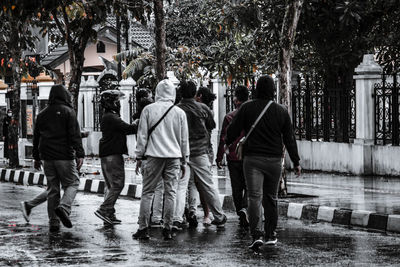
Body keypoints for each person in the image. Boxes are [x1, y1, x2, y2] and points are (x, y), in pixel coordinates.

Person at [227, 75, 301, 250]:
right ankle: (271, 234)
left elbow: (232, 132)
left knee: (254, 197)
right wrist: (296, 161)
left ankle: (257, 234)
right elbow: (289, 139)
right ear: (273, 91)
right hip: (275, 161)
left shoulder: (247, 108)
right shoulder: (281, 111)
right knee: (271, 198)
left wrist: (230, 141)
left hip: (252, 160)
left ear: (256, 89)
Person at [132, 79, 189, 240]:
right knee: (170, 192)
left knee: (148, 192)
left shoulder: (148, 110)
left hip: (153, 156)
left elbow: (142, 136)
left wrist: (139, 156)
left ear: (157, 92)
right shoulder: (179, 113)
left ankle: (143, 228)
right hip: (173, 158)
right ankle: (168, 228)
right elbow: (184, 139)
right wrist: (184, 160)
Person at [32, 84, 84, 232]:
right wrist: (80, 153)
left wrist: (36, 157)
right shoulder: (69, 112)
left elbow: (36, 138)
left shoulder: (42, 114)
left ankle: (53, 222)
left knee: (53, 189)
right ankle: (64, 207)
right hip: (64, 156)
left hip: (47, 158)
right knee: (73, 183)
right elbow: (75, 135)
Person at [177, 80, 227, 229]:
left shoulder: (177, 109)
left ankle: (178, 217)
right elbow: (212, 126)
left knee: (182, 185)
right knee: (208, 184)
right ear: (194, 93)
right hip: (201, 152)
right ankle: (218, 215)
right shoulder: (203, 108)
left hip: (182, 153)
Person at [94, 89, 138, 225]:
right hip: (112, 154)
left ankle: (109, 214)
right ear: (110, 102)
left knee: (111, 185)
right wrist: (137, 122)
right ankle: (104, 209)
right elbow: (128, 129)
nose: (118, 104)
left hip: (108, 154)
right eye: (116, 101)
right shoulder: (111, 117)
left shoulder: (108, 116)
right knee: (118, 184)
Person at [216, 85, 249, 228]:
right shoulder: (252, 114)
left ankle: (240, 212)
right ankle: (246, 208)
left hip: (233, 157)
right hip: (249, 155)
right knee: (249, 186)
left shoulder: (229, 116)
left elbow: (224, 138)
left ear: (236, 99)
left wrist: (219, 157)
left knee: (236, 187)